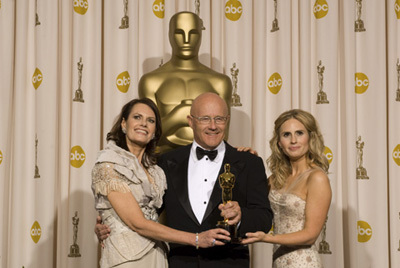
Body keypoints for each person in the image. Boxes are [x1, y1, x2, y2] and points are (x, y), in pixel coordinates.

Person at [96, 93, 273, 268]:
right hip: (178, 262)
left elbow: (264, 219)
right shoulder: (165, 163)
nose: (213, 126)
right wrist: (109, 221)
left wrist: (241, 217)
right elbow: (145, 210)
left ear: (227, 120)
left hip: (229, 263)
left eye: (219, 119)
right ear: (190, 121)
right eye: (205, 118)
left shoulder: (249, 162)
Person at [241, 109, 332, 268]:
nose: (293, 140)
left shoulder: (317, 178)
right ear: (278, 142)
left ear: (310, 138)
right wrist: (247, 162)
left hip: (304, 263)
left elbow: (310, 235)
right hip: (278, 261)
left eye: (299, 133)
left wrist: (267, 238)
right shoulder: (276, 179)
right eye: (286, 135)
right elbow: (250, 199)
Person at [138, 11, 232, 153]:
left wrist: (170, 124)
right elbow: (149, 135)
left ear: (201, 36)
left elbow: (221, 136)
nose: (186, 40)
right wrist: (177, 116)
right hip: (161, 164)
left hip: (210, 164)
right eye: (179, 33)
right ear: (169, 35)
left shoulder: (220, 82)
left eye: (193, 33)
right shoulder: (151, 81)